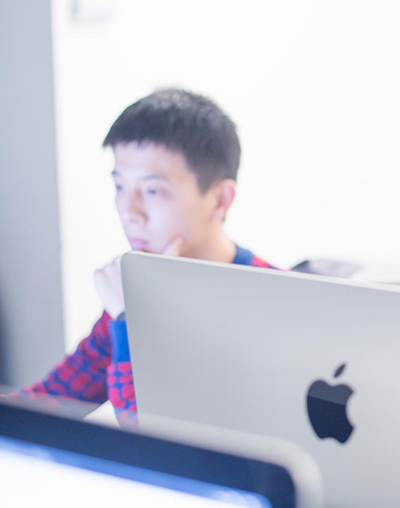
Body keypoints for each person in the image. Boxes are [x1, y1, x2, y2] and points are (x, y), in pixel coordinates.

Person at [11, 89, 274, 427]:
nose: (129, 211)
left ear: (220, 199)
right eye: (120, 187)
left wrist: (128, 319)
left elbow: (154, 439)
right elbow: (46, 403)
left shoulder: (274, 303)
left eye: (152, 191)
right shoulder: (138, 289)